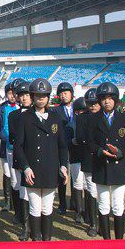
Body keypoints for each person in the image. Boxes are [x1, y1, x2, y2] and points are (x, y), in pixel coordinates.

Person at [13, 78, 69, 249]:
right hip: (33, 170)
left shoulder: (55, 118)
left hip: (51, 169)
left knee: (47, 208)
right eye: (37, 95)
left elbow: (62, 146)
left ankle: (47, 246)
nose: (41, 99)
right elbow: (19, 146)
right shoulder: (24, 117)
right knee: (35, 208)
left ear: (48, 97)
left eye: (44, 95)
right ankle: (37, 246)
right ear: (33, 96)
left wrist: (63, 165)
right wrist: (26, 167)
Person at [90, 82, 125, 249]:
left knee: (118, 206)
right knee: (103, 205)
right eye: (103, 99)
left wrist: (121, 152)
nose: (107, 102)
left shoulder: (124, 119)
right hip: (101, 166)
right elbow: (89, 142)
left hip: (119, 167)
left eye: (110, 98)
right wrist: (100, 151)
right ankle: (107, 243)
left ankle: (119, 244)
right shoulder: (93, 119)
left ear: (116, 100)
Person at [7, 78, 32, 240]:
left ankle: (35, 226)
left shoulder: (41, 113)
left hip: (37, 158)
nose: (23, 98)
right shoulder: (13, 115)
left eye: (27, 95)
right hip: (19, 158)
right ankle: (25, 226)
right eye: (21, 95)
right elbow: (13, 139)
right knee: (22, 191)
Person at [78, 88, 101, 237]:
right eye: (89, 103)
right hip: (88, 158)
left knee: (104, 193)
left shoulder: (105, 117)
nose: (92, 106)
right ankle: (93, 223)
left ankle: (103, 221)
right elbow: (80, 138)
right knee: (91, 191)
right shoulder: (81, 118)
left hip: (105, 160)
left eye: (95, 103)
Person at [0, 81, 17, 214]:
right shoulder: (1, 108)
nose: (12, 96)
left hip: (21, 146)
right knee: (7, 173)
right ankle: (8, 201)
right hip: (6, 146)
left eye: (14, 93)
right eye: (9, 93)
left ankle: (18, 200)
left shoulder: (22, 107)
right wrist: (7, 139)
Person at [54, 82, 75, 215]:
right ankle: (62, 203)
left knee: (77, 177)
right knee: (63, 175)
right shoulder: (55, 111)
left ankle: (75, 202)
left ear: (71, 94)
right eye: (61, 93)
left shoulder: (78, 108)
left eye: (66, 93)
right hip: (63, 147)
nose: (63, 95)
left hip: (78, 147)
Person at [67, 95, 88, 227]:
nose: (82, 114)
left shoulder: (90, 123)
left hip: (88, 158)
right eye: (80, 111)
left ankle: (88, 209)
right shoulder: (70, 125)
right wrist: (73, 141)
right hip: (75, 158)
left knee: (88, 185)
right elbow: (65, 141)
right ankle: (79, 211)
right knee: (78, 183)